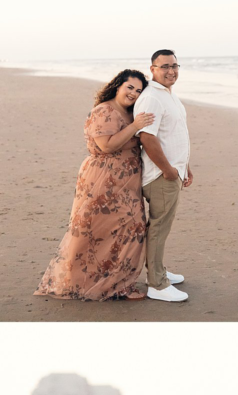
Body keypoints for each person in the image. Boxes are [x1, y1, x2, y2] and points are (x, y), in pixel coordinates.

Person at [34, 70, 152, 301]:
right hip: (102, 179)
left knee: (131, 228)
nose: (134, 93)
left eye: (138, 91)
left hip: (127, 182)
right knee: (94, 229)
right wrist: (135, 125)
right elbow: (106, 146)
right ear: (118, 85)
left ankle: (119, 284)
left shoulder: (130, 112)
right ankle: (87, 282)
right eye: (130, 87)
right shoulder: (103, 111)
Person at [133, 49, 191, 302]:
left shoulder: (169, 95)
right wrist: (168, 170)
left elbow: (175, 133)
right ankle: (157, 284)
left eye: (175, 66)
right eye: (165, 66)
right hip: (160, 175)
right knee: (158, 228)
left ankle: (160, 272)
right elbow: (147, 137)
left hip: (173, 170)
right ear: (152, 69)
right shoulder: (152, 98)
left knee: (162, 228)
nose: (171, 71)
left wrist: (185, 165)